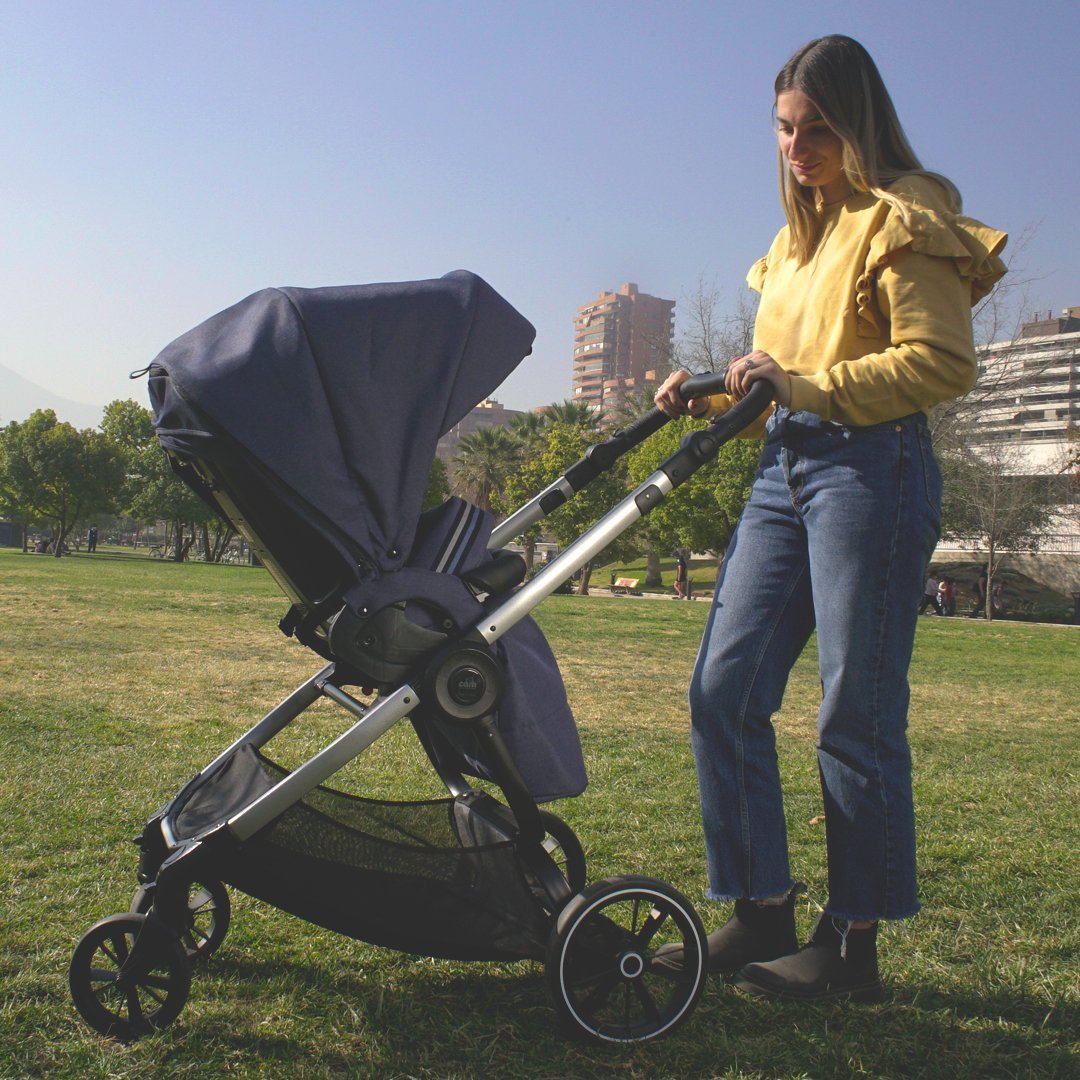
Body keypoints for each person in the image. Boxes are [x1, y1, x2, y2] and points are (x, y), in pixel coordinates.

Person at [653, 34, 1006, 1002]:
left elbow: (940, 362)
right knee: (723, 691)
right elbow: (783, 377)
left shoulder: (904, 215)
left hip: (873, 469)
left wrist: (799, 387)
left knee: (855, 709)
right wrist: (710, 389)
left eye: (817, 129)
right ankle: (760, 911)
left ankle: (852, 945)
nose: (796, 147)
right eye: (784, 128)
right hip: (785, 468)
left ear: (859, 126)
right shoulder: (796, 241)